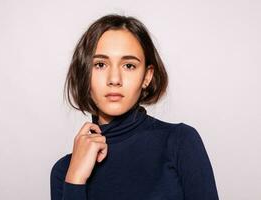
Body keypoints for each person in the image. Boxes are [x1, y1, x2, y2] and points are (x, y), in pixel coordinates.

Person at [50, 14, 219, 200]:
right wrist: (75, 179)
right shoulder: (65, 171)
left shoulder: (180, 143)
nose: (114, 79)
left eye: (129, 66)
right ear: (84, 74)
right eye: (100, 64)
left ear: (147, 76)